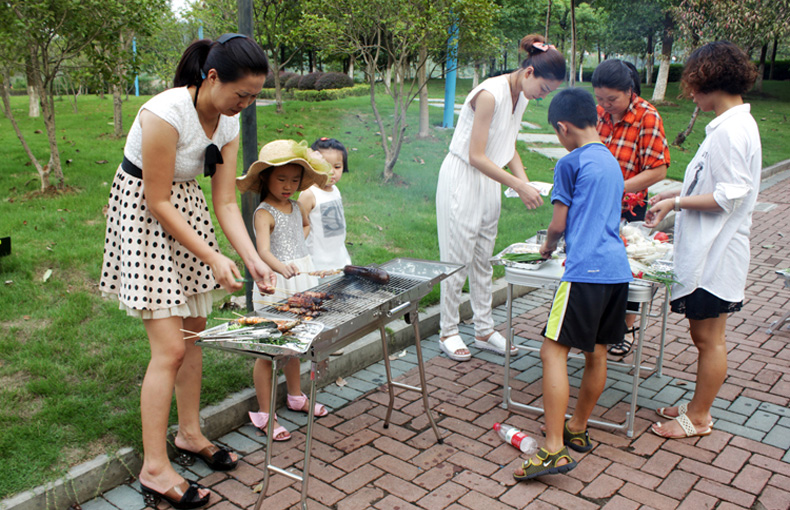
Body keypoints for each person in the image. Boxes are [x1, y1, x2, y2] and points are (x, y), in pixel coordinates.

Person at [99, 34, 275, 509]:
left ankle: (191, 435)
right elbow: (156, 201)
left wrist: (250, 258)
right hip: (145, 213)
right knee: (171, 347)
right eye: (242, 94)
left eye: (255, 95)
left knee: (194, 335)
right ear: (212, 77)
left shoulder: (229, 124)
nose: (246, 104)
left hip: (187, 209)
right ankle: (155, 468)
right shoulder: (165, 113)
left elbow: (223, 201)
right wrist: (214, 257)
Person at [513, 88, 632, 481]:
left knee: (552, 353)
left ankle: (552, 449)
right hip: (617, 271)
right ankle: (577, 428)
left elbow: (559, 223)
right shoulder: (611, 160)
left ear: (562, 127)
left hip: (585, 273)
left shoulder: (570, 162)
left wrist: (547, 247)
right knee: (597, 352)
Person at [644, 41, 761, 439]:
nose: (690, 94)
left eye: (693, 85)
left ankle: (699, 418)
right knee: (704, 336)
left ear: (709, 81)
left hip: (718, 252)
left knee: (709, 340)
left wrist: (676, 200)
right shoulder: (732, 126)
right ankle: (697, 406)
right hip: (714, 248)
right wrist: (672, 200)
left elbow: (728, 195)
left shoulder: (731, 131)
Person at [436, 34, 565, 362]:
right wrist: (518, 186)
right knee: (457, 258)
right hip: (463, 176)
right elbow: (476, 155)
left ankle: (483, 327)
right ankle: (447, 331)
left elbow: (508, 147)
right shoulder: (489, 95)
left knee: (483, 256)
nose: (542, 96)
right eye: (544, 89)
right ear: (529, 73)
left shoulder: (520, 95)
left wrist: (524, 182)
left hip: (490, 181)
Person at [236, 139, 334, 441]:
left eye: (295, 180)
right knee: (269, 349)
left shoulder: (294, 207)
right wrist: (281, 265)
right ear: (266, 178)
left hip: (301, 278)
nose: (289, 186)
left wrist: (299, 251)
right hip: (276, 283)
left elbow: (304, 225)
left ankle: (295, 395)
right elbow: (262, 250)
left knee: (296, 342)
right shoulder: (264, 212)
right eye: (282, 179)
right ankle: (265, 413)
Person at [592, 59, 671, 357]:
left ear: (629, 91)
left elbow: (658, 169)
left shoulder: (647, 116)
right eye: (600, 99)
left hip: (629, 204)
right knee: (597, 266)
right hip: (596, 204)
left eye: (612, 99)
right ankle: (595, 324)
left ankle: (623, 330)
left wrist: (618, 186)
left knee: (629, 270)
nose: (605, 105)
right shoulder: (599, 113)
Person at [298, 137, 352, 271]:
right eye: (326, 166)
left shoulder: (335, 190)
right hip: (318, 262)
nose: (332, 171)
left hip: (339, 257)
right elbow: (297, 227)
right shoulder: (309, 194)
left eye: (337, 166)